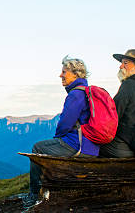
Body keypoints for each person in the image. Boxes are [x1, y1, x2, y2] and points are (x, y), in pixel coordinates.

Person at [28, 56, 99, 199]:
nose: (61, 75)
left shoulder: (75, 94)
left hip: (78, 146)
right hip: (92, 146)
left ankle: (34, 195)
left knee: (38, 148)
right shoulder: (86, 91)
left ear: (75, 74)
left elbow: (65, 124)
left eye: (64, 72)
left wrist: (58, 139)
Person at [99, 49, 135, 158]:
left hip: (120, 144)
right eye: (121, 63)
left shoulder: (129, 85)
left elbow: (113, 114)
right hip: (134, 142)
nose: (121, 66)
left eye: (126, 63)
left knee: (89, 145)